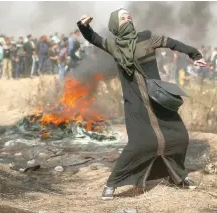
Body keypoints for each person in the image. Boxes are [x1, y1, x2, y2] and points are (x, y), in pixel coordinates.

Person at [77, 8, 207, 200]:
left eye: (129, 16)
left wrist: (195, 55)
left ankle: (177, 177)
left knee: (179, 136)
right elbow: (93, 38)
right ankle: (112, 184)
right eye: (122, 18)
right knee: (140, 144)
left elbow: (173, 43)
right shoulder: (114, 46)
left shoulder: (147, 38)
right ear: (115, 25)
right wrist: (83, 26)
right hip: (136, 103)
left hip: (158, 100)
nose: (127, 18)